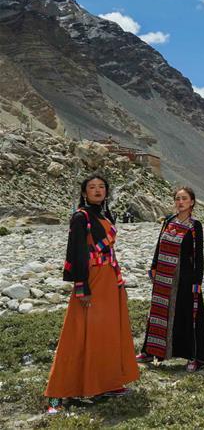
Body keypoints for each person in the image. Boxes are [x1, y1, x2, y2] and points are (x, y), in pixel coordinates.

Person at [44, 175, 139, 414]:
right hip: (91, 281)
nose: (97, 191)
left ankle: (108, 384)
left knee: (106, 333)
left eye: (101, 187)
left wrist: (118, 281)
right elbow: (76, 252)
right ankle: (56, 394)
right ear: (84, 193)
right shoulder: (80, 217)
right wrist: (81, 286)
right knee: (77, 333)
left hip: (109, 280)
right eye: (92, 188)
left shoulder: (107, 216)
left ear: (106, 192)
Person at [137, 187, 204, 371]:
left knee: (186, 315)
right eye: (177, 198)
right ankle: (151, 351)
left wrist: (197, 281)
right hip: (163, 276)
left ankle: (194, 357)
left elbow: (198, 256)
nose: (180, 202)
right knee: (158, 312)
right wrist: (153, 266)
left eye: (184, 198)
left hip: (184, 278)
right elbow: (159, 246)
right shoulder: (168, 220)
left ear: (192, 202)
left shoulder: (195, 226)